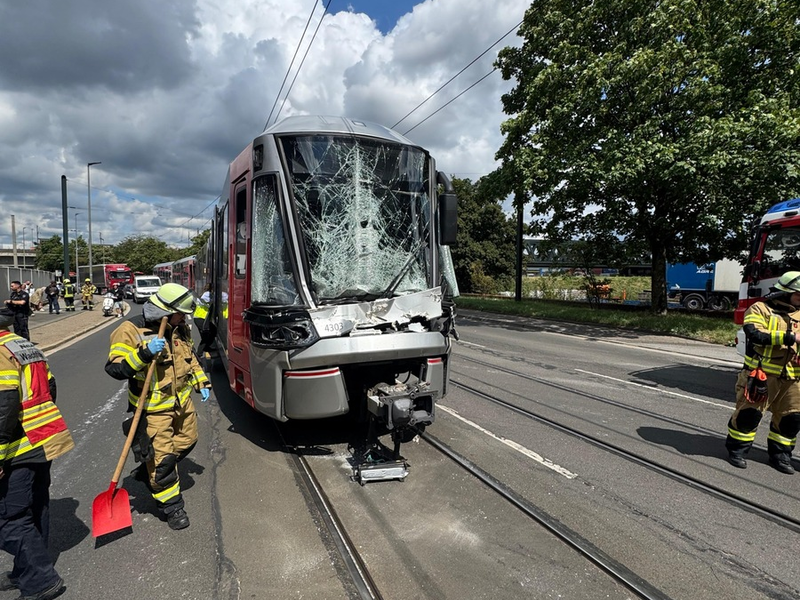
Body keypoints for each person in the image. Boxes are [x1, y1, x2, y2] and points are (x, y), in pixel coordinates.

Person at [104, 283, 211, 530]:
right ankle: (172, 507)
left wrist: (200, 381)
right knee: (163, 462)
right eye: (180, 313)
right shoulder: (129, 330)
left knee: (189, 440)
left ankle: (147, 471)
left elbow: (190, 357)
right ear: (166, 310)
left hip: (182, 404)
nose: (184, 318)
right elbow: (115, 369)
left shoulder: (179, 327)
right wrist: (143, 354)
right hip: (152, 410)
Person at [0, 307, 74, 600]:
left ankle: (41, 581)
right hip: (43, 438)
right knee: (35, 506)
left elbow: (4, 405)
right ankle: (26, 571)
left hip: (17, 447)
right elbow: (51, 387)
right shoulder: (23, 345)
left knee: (9, 518)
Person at [726, 271, 800, 474]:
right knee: (748, 415)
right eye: (798, 295)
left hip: (794, 379)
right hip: (761, 375)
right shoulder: (760, 309)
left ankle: (781, 456)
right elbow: (755, 334)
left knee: (790, 420)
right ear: (785, 292)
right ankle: (737, 451)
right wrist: (791, 337)